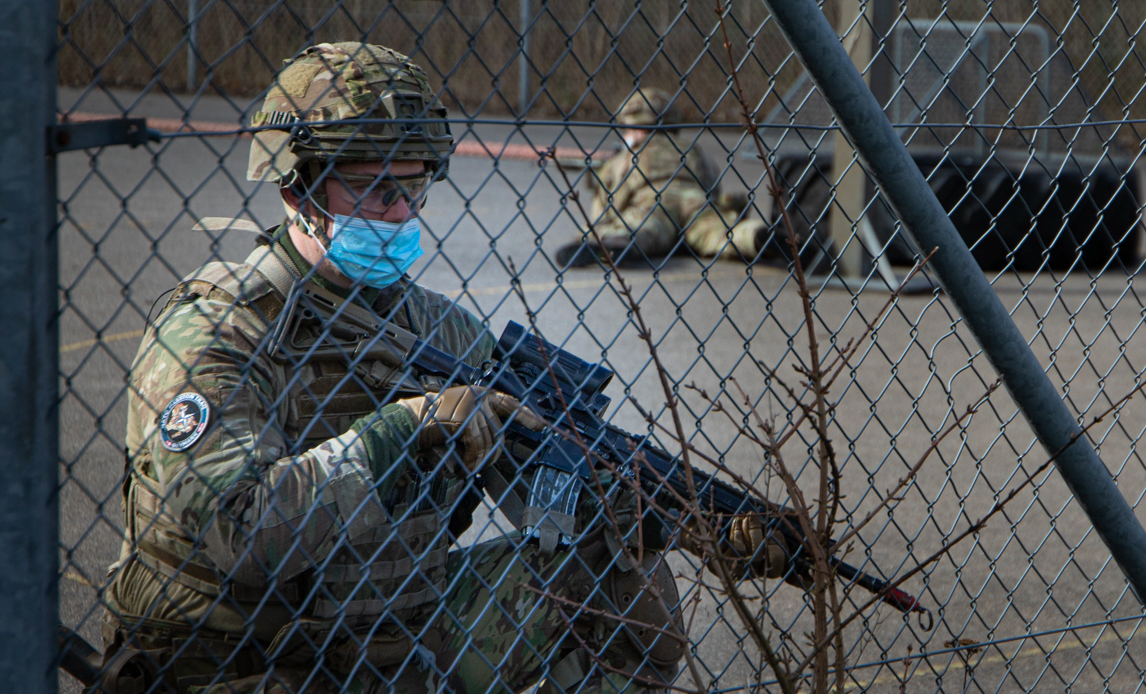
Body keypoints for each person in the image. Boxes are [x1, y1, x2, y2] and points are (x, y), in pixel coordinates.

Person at [100, 43, 791, 694]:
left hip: (392, 631)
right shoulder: (218, 329)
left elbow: (543, 485)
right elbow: (240, 531)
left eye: (413, 188)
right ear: (297, 190)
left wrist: (690, 522)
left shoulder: (442, 330)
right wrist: (404, 429)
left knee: (621, 577)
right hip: (240, 655)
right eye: (374, 191)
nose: (400, 213)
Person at [555, 88, 775, 268]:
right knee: (719, 232)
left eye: (628, 130)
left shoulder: (629, 156)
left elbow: (608, 202)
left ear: (636, 129)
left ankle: (617, 243)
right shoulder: (692, 149)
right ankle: (755, 237)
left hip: (652, 204)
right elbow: (712, 183)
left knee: (643, 228)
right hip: (695, 202)